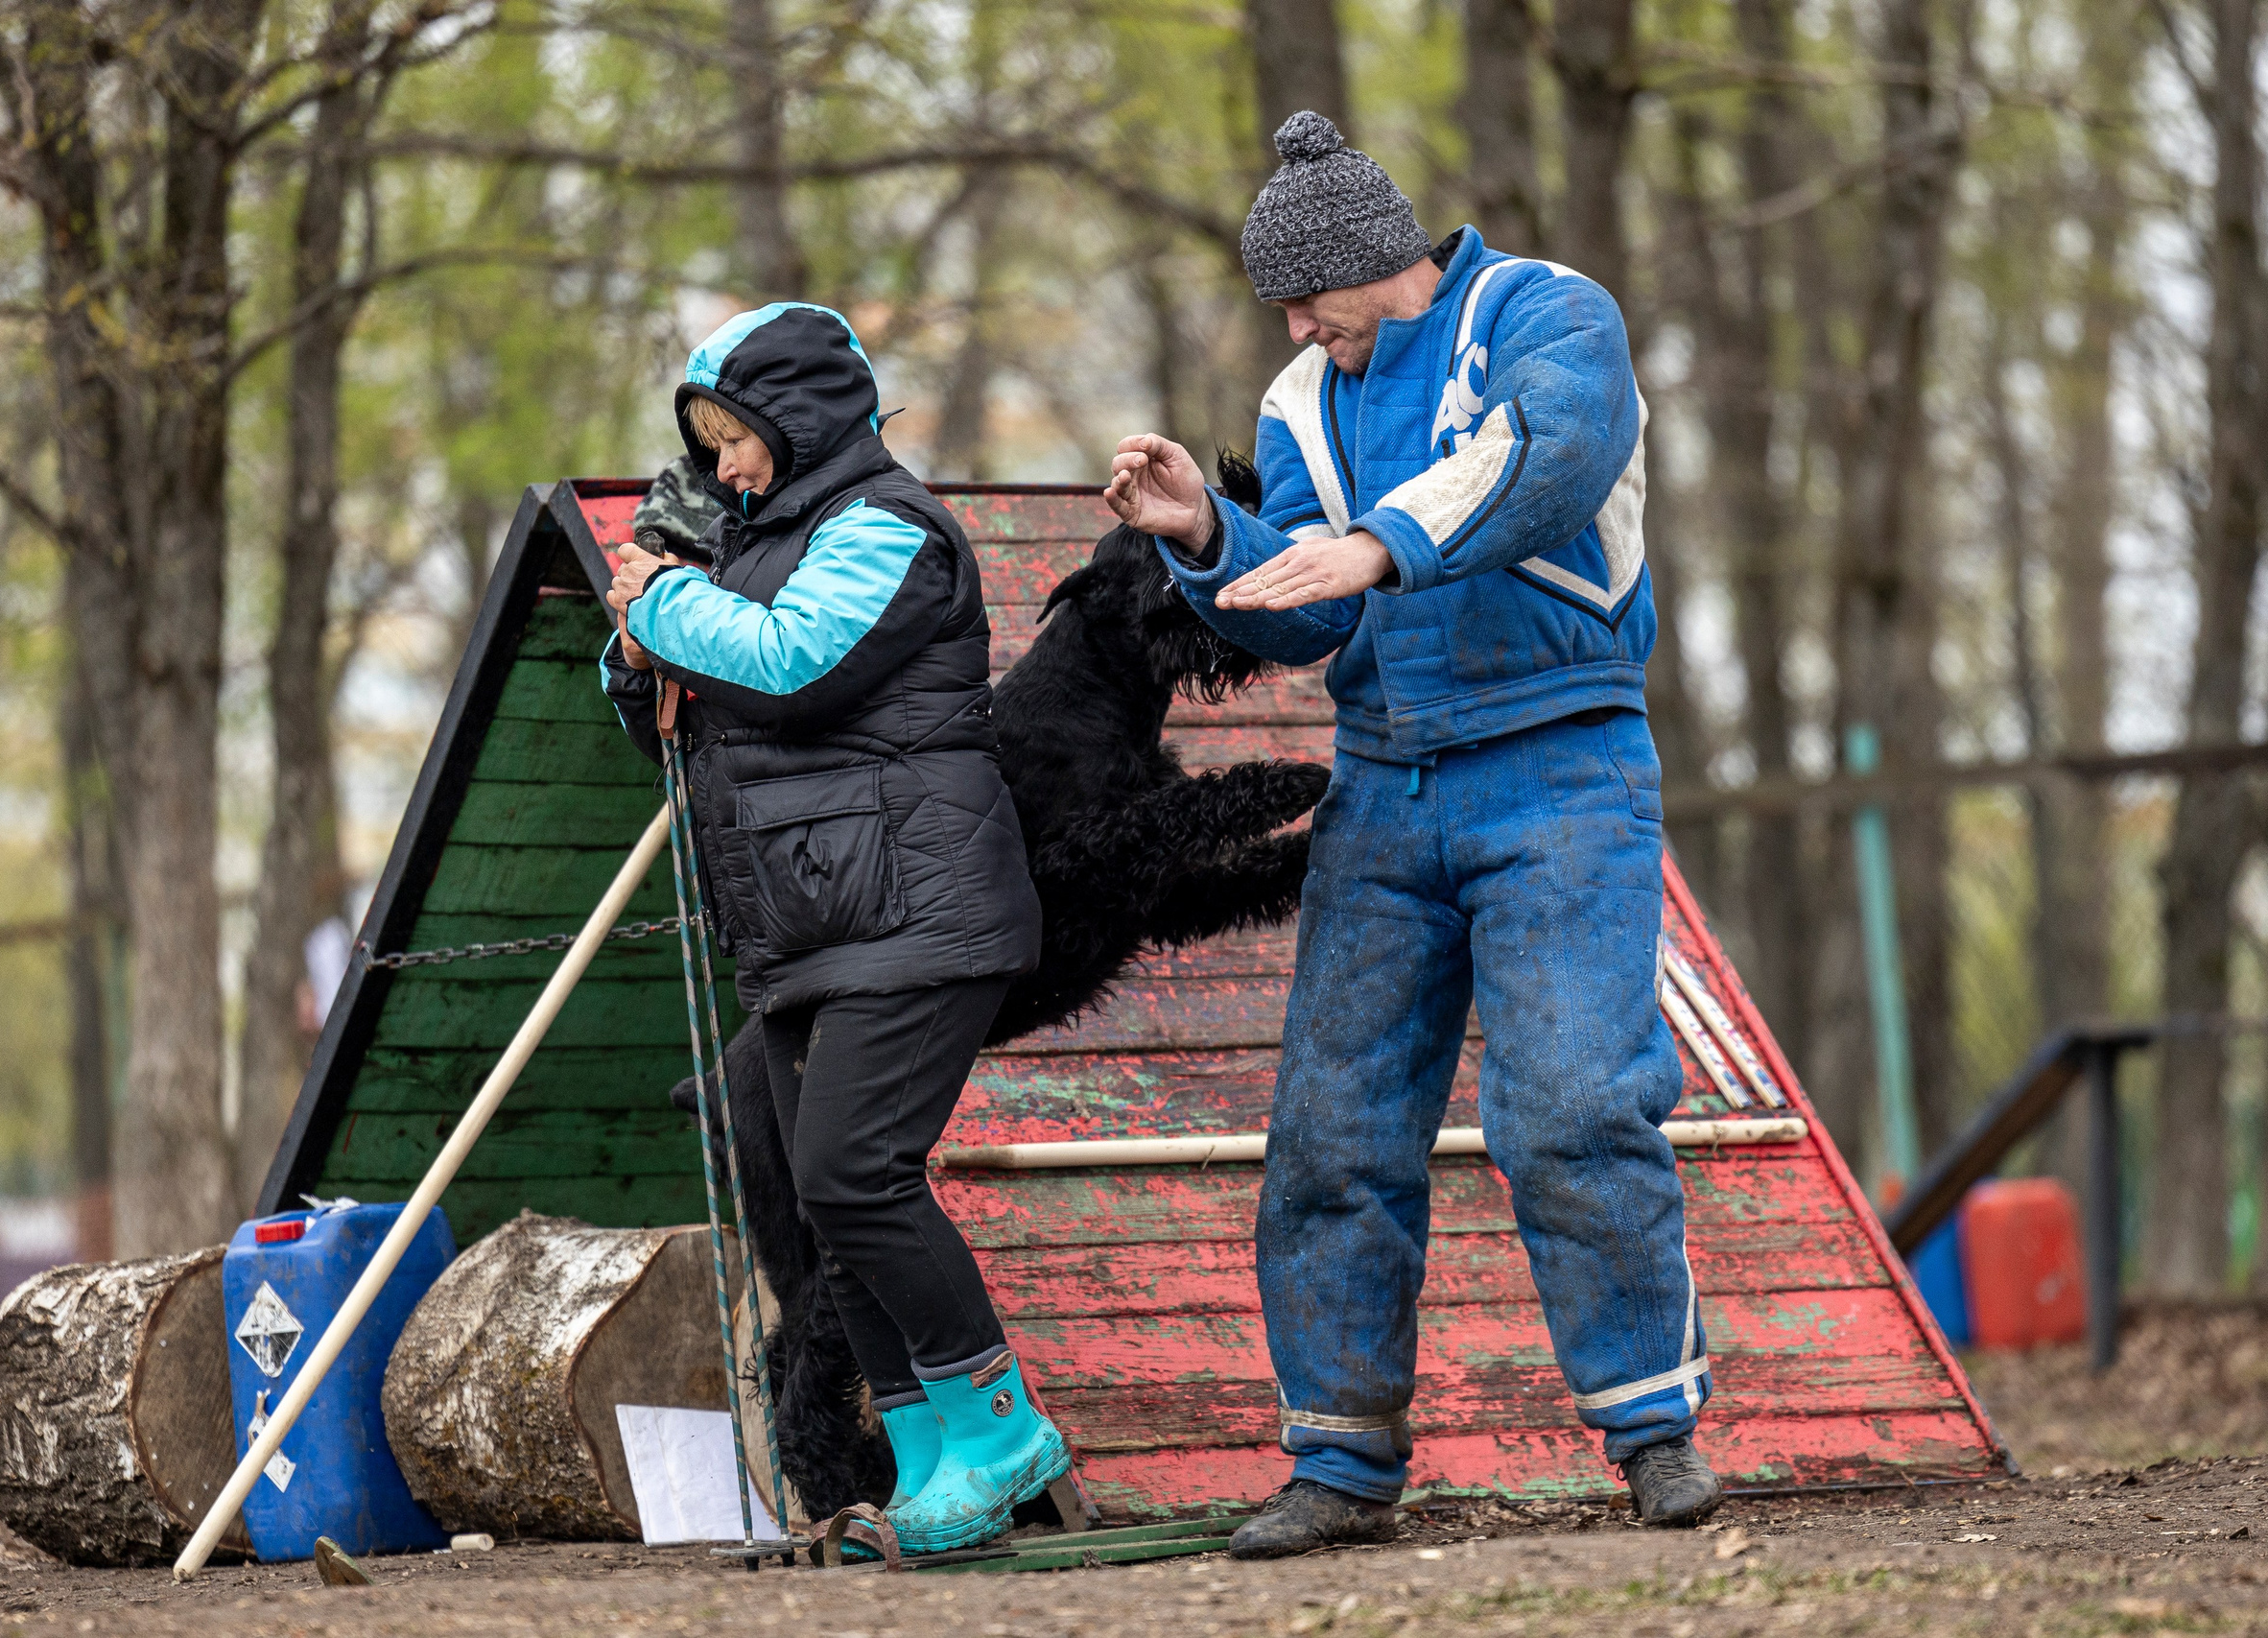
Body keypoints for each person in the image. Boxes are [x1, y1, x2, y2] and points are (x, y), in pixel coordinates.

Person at [1104, 111, 1721, 1556]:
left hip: (1563, 766)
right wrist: (1207, 538)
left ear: (1379, 260)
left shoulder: (1547, 314)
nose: (1298, 328)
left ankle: (1652, 1433)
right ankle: (1339, 1459)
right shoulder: (1300, 399)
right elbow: (1317, 608)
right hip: (1386, 784)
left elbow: (1548, 455)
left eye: (1306, 298)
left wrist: (1385, 542)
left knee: (1571, 1106)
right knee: (1332, 1131)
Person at [602, 301, 1063, 1555]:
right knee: (823, 1202)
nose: (723, 468)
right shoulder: (761, 548)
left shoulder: (887, 532)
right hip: (814, 923)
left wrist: (667, 606)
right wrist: (641, 658)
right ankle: (927, 1456)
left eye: (734, 439)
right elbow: (707, 704)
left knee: (857, 1175)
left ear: (796, 420)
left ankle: (1005, 1426)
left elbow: (798, 666)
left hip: (915, 914)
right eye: (706, 448)